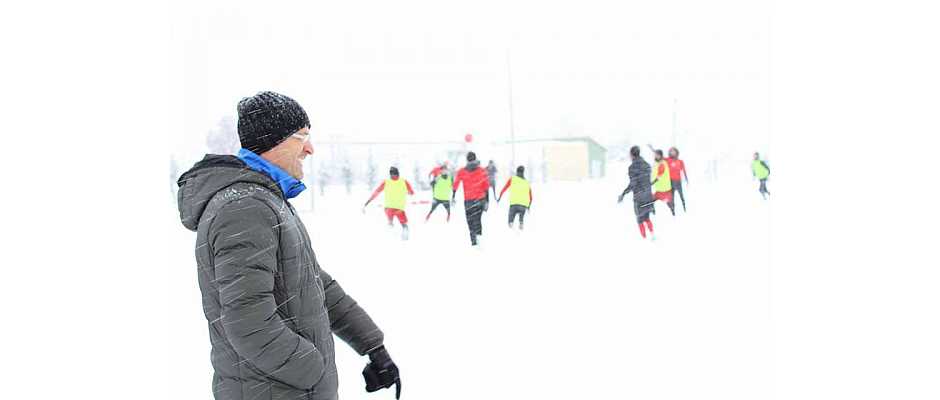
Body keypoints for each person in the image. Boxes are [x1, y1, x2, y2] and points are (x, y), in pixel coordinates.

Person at [176, 91, 401, 400]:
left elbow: (313, 283)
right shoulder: (244, 208)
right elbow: (249, 323)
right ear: (274, 142)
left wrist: (372, 344)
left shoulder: (264, 199)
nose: (309, 149)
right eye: (301, 137)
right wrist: (312, 371)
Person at [364, 166, 415, 240]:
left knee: (390, 223)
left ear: (390, 174)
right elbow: (411, 193)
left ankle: (390, 233)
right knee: (404, 225)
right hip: (399, 208)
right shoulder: (404, 181)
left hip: (388, 208)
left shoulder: (386, 182)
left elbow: (376, 192)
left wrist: (368, 202)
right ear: (398, 174)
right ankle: (404, 239)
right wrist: (405, 192)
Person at [618, 146, 656, 240]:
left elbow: (633, 184)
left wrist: (623, 194)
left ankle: (644, 239)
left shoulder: (632, 167)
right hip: (648, 195)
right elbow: (647, 181)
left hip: (639, 197)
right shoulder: (647, 165)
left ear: (631, 155)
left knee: (640, 219)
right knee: (647, 218)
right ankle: (652, 235)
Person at [453, 151, 490, 246]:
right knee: (477, 219)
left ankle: (474, 241)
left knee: (470, 221)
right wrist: (487, 201)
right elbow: (486, 187)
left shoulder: (462, 171)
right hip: (480, 200)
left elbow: (456, 184)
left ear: (467, 160)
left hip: (468, 201)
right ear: (475, 158)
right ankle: (479, 237)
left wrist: (453, 195)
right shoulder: (482, 171)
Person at [497, 165, 533, 230]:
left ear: (517, 172)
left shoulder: (512, 179)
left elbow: (504, 188)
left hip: (514, 203)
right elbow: (530, 196)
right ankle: (521, 222)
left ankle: (511, 224)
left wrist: (500, 196)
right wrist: (529, 206)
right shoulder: (527, 182)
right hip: (523, 204)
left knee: (511, 218)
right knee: (521, 215)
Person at [651, 149, 675, 216]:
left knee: (668, 202)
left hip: (664, 189)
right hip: (659, 188)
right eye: (655, 155)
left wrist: (651, 183)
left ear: (661, 156)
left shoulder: (662, 164)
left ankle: (673, 212)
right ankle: (653, 212)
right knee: (651, 200)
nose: (655, 156)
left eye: (657, 155)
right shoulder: (657, 163)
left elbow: (659, 176)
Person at [666, 147, 689, 212]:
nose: (672, 152)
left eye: (673, 151)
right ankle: (673, 211)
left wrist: (687, 179)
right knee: (671, 197)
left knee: (681, 195)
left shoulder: (680, 161)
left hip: (678, 181)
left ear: (676, 152)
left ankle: (684, 207)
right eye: (671, 151)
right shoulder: (668, 160)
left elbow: (684, 170)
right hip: (670, 181)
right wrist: (652, 149)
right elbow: (660, 156)